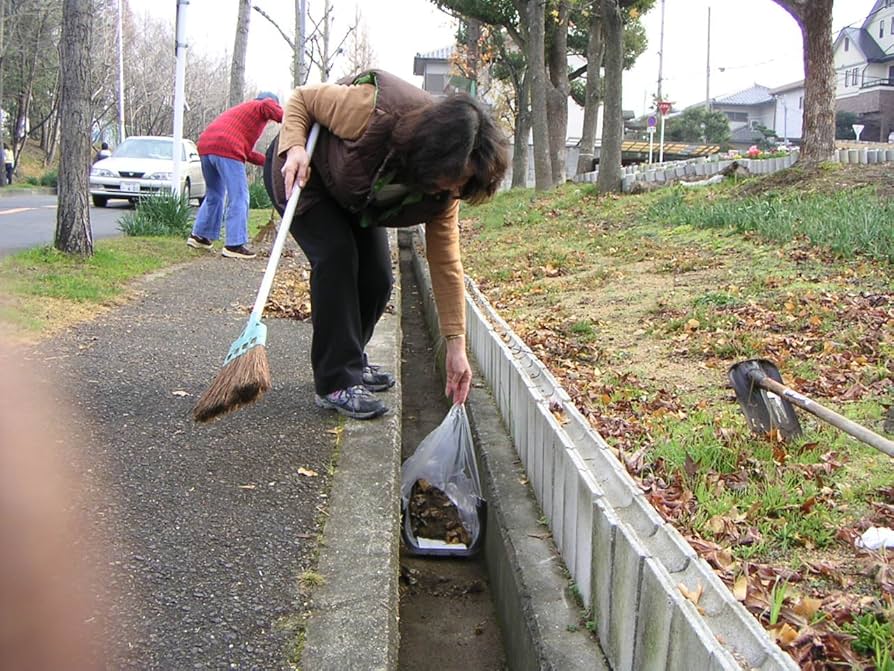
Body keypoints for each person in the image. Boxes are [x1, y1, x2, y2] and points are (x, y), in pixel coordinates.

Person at [266, 69, 508, 420]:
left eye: (464, 184)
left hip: (356, 199)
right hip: (305, 176)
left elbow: (446, 265)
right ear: (434, 152)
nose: (453, 190)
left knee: (378, 279)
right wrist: (294, 147)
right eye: (454, 177)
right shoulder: (374, 111)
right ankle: (335, 381)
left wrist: (456, 346)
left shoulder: (446, 193)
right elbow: (303, 98)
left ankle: (351, 359)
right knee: (336, 257)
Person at [187, 92, 283, 259]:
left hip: (206, 147)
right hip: (227, 149)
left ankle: (200, 236)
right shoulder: (260, 106)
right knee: (239, 196)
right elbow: (267, 105)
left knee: (214, 195)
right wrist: (295, 120)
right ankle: (234, 245)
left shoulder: (242, 115)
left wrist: (269, 163)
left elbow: (246, 153)